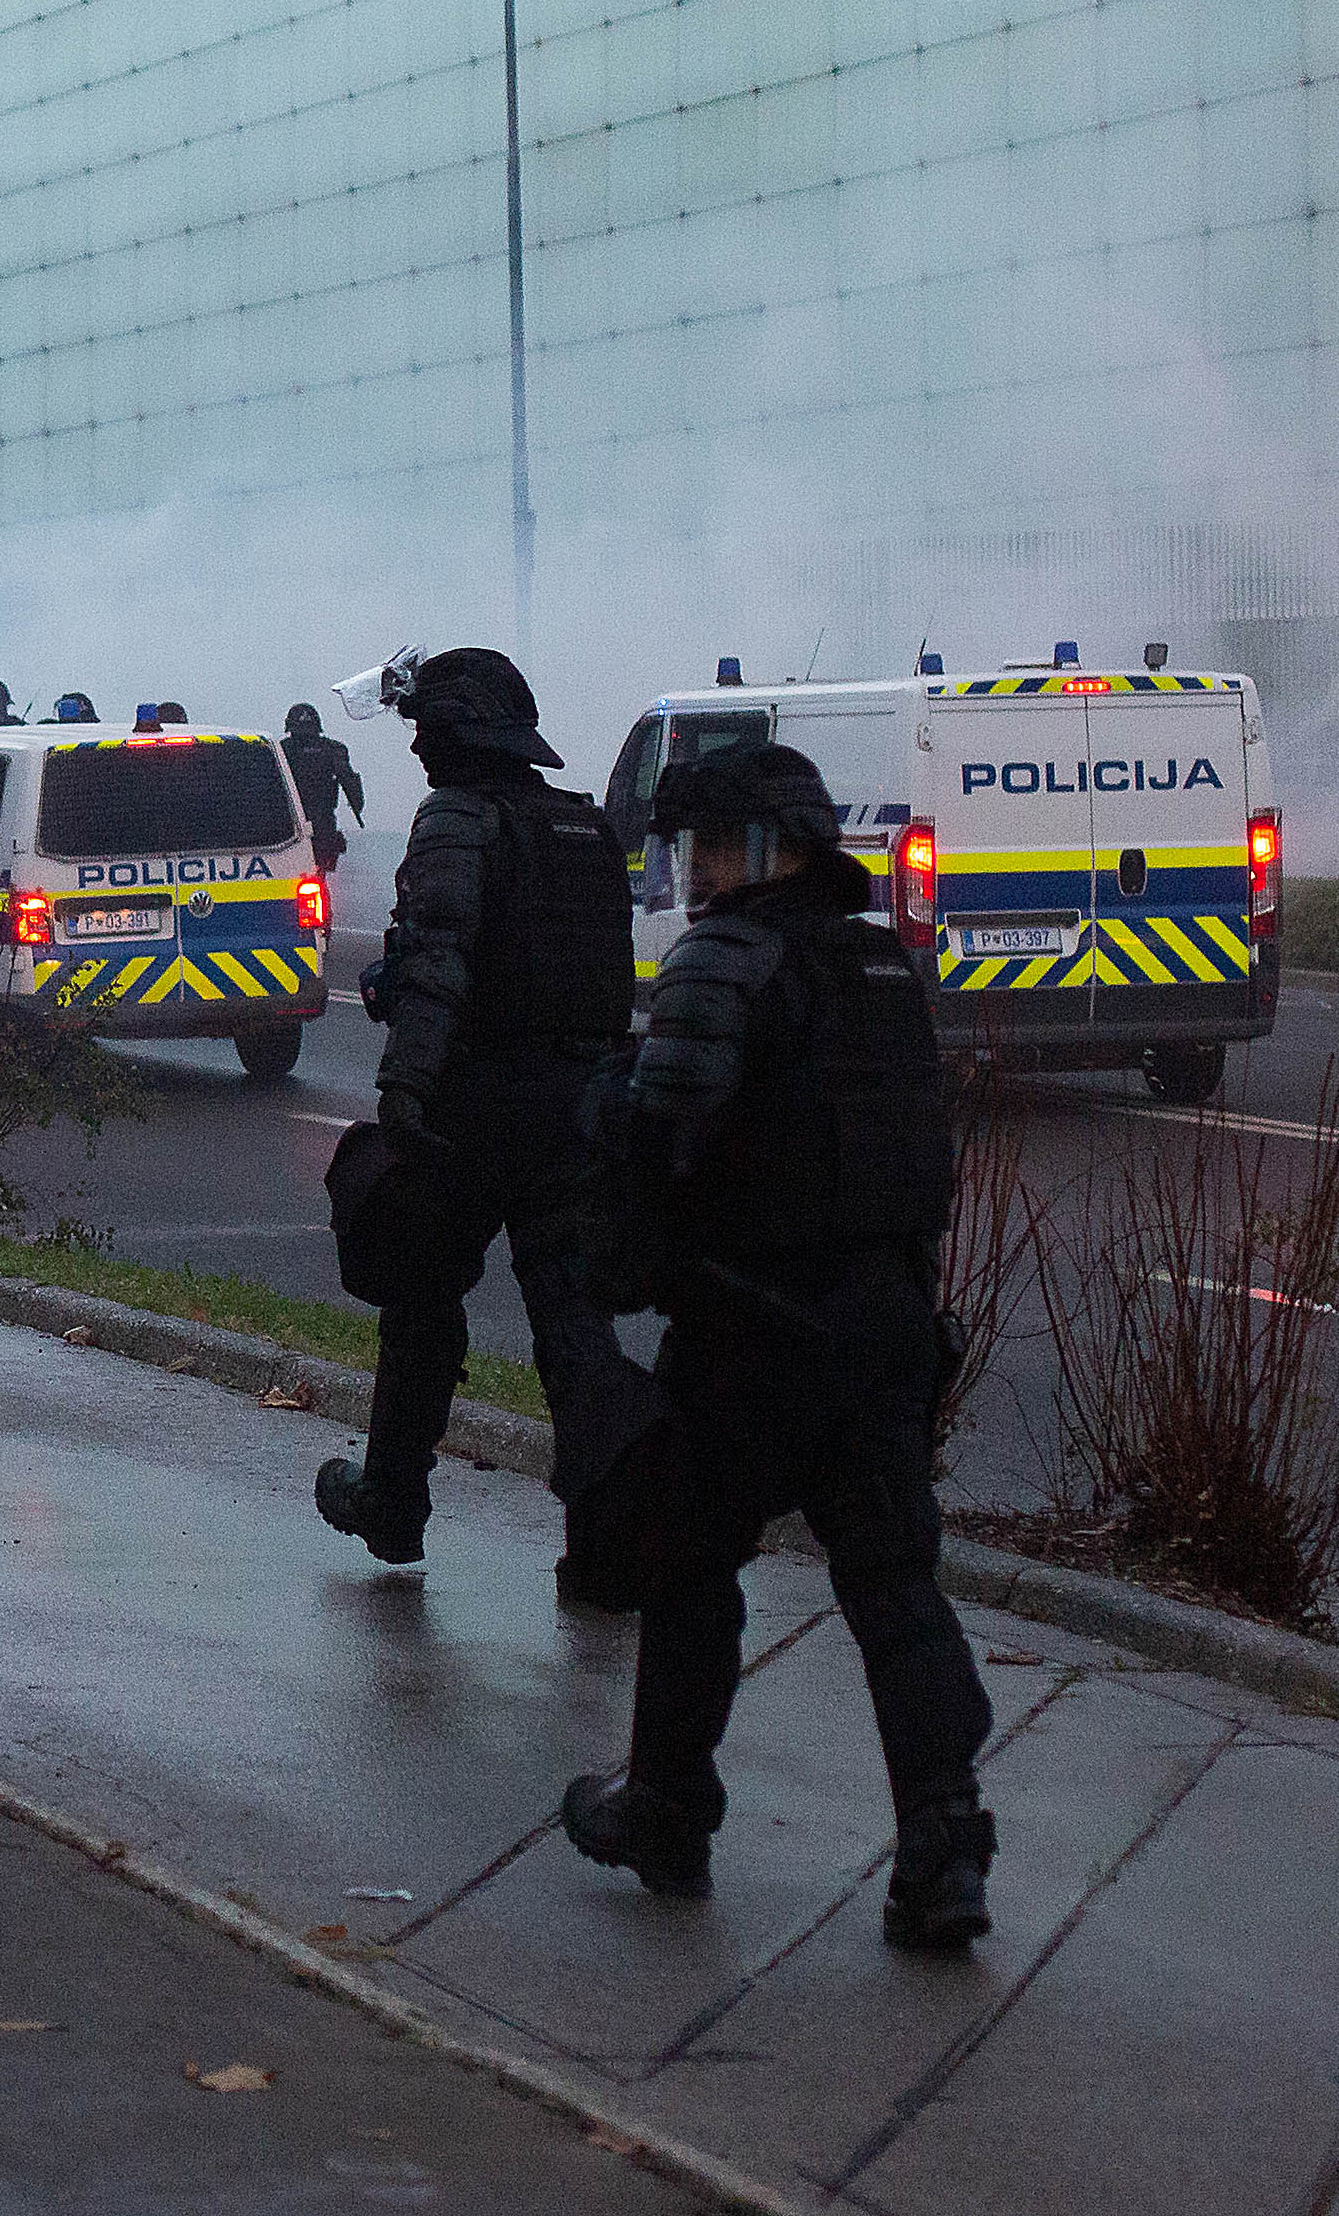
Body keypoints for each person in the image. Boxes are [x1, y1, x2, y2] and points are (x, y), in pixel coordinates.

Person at [565, 740, 996, 1953]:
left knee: (689, 1567)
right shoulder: (880, 963)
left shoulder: (728, 955)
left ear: (766, 847)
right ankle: (947, 1844)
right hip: (885, 1329)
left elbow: (663, 1132)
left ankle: (666, 1811)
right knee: (896, 1587)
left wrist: (603, 1104)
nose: (695, 869)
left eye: (709, 844)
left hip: (753, 1328)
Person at [314, 645, 633, 1566]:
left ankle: (393, 1503)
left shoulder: (456, 819)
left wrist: (404, 1086)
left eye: (424, 729)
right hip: (573, 1112)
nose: (415, 747)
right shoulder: (585, 827)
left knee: (418, 1305)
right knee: (575, 1330)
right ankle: (602, 1546)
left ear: (458, 735)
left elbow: (444, 963)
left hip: (474, 1110)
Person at [283, 698, 369, 874]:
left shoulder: (282, 750)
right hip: (322, 821)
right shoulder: (333, 750)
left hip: (290, 822)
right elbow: (349, 782)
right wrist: (357, 806)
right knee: (319, 874)